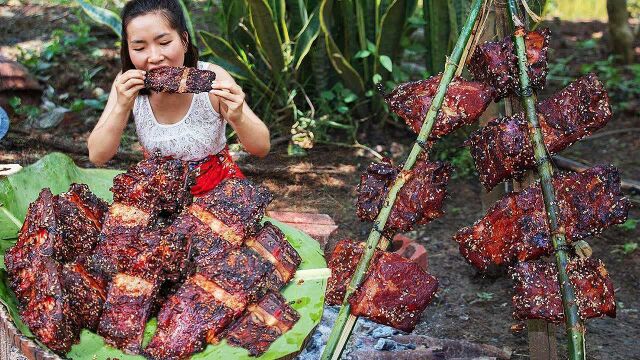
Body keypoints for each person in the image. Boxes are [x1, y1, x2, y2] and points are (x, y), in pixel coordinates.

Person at [87, 0, 270, 195]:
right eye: (139, 48)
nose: (154, 56)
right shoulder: (126, 84)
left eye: (164, 43)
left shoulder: (214, 78)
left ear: (184, 40)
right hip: (160, 192)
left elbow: (261, 147)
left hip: (218, 191)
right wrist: (121, 107)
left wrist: (239, 117)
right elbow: (97, 156)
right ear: (128, 50)